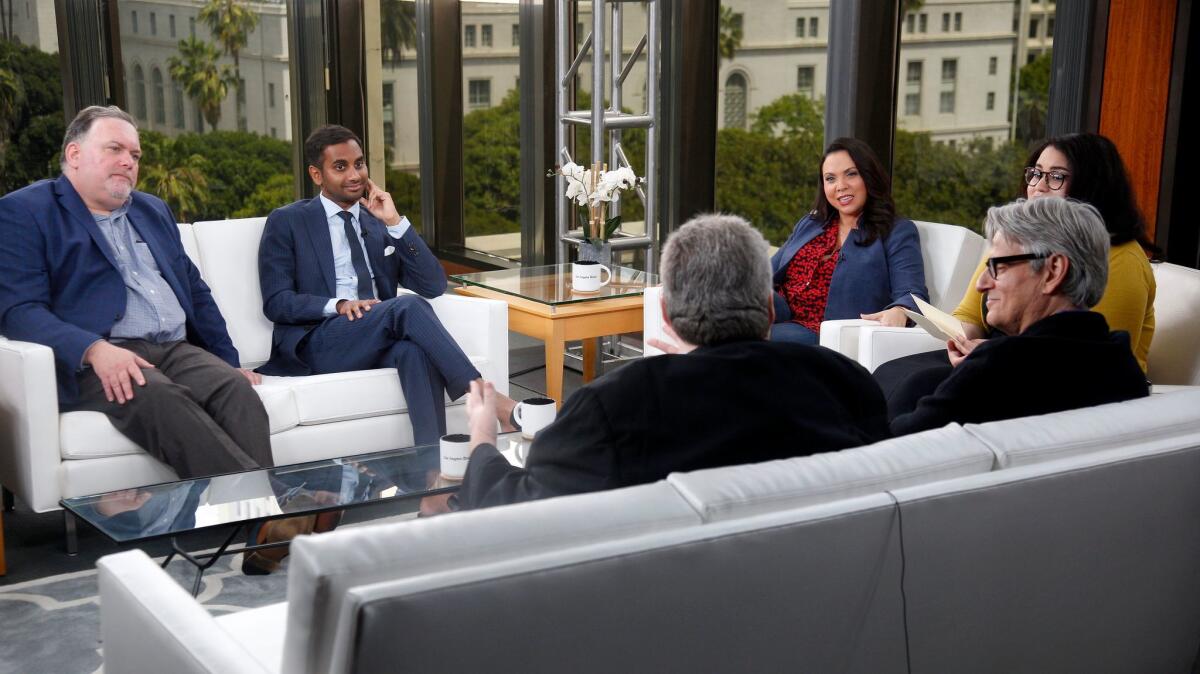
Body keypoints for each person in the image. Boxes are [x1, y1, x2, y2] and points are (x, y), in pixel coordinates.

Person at [454, 214, 890, 510]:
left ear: (666, 316)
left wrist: (482, 438)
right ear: (770, 310)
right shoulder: (846, 384)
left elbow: (515, 512)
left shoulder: (616, 406)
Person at [0, 105, 272, 478]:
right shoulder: (25, 212)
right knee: (162, 398)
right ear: (74, 154)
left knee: (235, 391)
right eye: (115, 149)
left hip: (175, 349)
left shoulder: (152, 210)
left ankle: (263, 522)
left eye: (135, 154)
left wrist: (228, 361)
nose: (129, 161)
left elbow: (195, 291)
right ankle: (272, 515)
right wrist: (94, 351)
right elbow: (19, 310)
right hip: (99, 359)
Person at [257, 124, 516, 446]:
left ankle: (432, 463)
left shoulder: (375, 220)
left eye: (359, 164)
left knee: (412, 352)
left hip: (374, 331)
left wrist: (395, 223)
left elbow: (433, 284)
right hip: (319, 338)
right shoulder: (289, 221)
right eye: (341, 167)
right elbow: (277, 301)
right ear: (316, 174)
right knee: (406, 307)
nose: (355, 175)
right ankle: (491, 402)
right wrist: (337, 305)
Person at [875, 133, 1157, 418]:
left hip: (1048, 377)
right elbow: (970, 317)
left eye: (1055, 177)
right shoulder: (1018, 243)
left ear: (1093, 185)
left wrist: (994, 355)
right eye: (1035, 174)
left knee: (915, 388)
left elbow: (1081, 356)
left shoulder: (1122, 260)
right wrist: (966, 344)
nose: (1037, 187)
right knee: (895, 374)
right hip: (1005, 356)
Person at [890, 198, 1149, 436]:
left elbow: (890, 450)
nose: (981, 283)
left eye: (997, 266)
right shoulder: (1123, 367)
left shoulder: (998, 370)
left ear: (1053, 272)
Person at [769, 137, 928, 344]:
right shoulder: (812, 223)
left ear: (869, 176)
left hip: (821, 328)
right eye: (830, 179)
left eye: (851, 174)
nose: (840, 186)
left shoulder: (896, 231)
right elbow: (766, 273)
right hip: (781, 309)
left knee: (741, 340)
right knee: (722, 310)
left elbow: (913, 294)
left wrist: (900, 310)